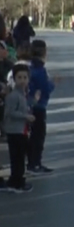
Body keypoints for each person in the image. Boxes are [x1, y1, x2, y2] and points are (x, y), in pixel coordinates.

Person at [5, 64, 36, 193]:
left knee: (20, 157)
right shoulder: (13, 96)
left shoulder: (23, 94)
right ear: (14, 79)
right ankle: (16, 183)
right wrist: (26, 117)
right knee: (17, 158)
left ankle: (17, 180)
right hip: (14, 131)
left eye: (25, 77)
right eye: (19, 77)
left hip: (21, 130)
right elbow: (10, 113)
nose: (22, 80)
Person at [28, 40, 55, 174]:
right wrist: (52, 84)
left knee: (33, 135)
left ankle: (32, 162)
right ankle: (35, 163)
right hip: (39, 106)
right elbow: (46, 87)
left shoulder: (30, 67)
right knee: (38, 136)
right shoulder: (40, 70)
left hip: (31, 105)